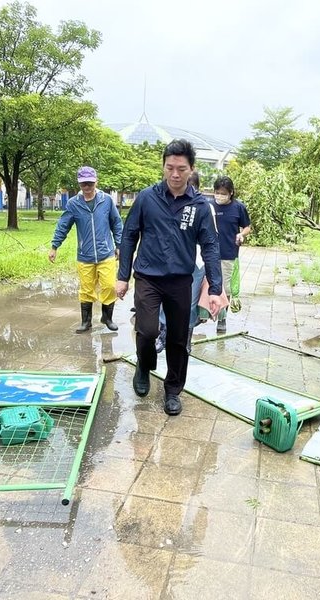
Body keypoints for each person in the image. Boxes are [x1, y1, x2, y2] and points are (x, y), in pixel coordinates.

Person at [116, 139, 224, 416]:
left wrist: (215, 286)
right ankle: (144, 364)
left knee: (178, 339)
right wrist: (123, 276)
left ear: (192, 170)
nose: (175, 175)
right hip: (148, 277)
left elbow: (210, 245)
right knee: (148, 330)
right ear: (163, 167)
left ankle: (173, 390)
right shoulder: (146, 198)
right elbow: (129, 236)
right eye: (170, 168)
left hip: (180, 281)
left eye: (181, 169)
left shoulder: (199, 206)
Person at [49, 166, 123, 333]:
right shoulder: (73, 204)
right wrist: (55, 246)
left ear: (96, 182)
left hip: (106, 253)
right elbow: (63, 225)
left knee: (110, 286)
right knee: (86, 289)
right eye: (84, 184)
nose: (87, 188)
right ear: (79, 185)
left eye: (90, 183)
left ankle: (107, 317)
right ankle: (86, 321)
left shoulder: (107, 200)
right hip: (85, 255)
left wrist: (119, 245)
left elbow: (116, 223)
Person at [155, 170, 208, 354]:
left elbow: (211, 241)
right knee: (164, 300)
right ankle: (163, 334)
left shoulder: (203, 207)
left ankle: (186, 338)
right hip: (168, 262)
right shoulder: (165, 205)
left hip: (195, 265)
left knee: (189, 304)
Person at [210, 175, 251, 334]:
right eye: (217, 192)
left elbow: (247, 227)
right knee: (208, 286)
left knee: (225, 288)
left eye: (223, 193)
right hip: (209, 254)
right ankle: (202, 315)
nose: (219, 196)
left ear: (231, 193)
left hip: (228, 252)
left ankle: (222, 318)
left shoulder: (238, 207)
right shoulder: (209, 207)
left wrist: (242, 235)